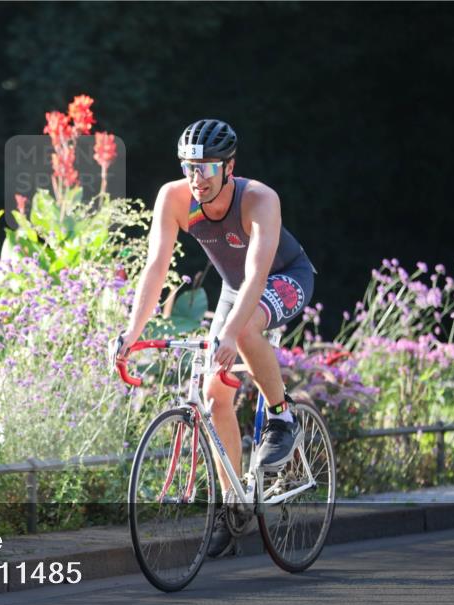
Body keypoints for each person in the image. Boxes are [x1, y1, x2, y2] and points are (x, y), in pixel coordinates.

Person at [113, 119, 315, 557]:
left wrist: (228, 334)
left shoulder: (259, 199)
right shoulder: (175, 198)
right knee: (213, 394)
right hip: (231, 287)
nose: (196, 178)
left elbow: (258, 274)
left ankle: (282, 417)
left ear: (230, 166)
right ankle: (232, 505)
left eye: (206, 168)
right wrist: (132, 332)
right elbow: (156, 266)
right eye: (189, 167)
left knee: (240, 332)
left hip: (283, 277)